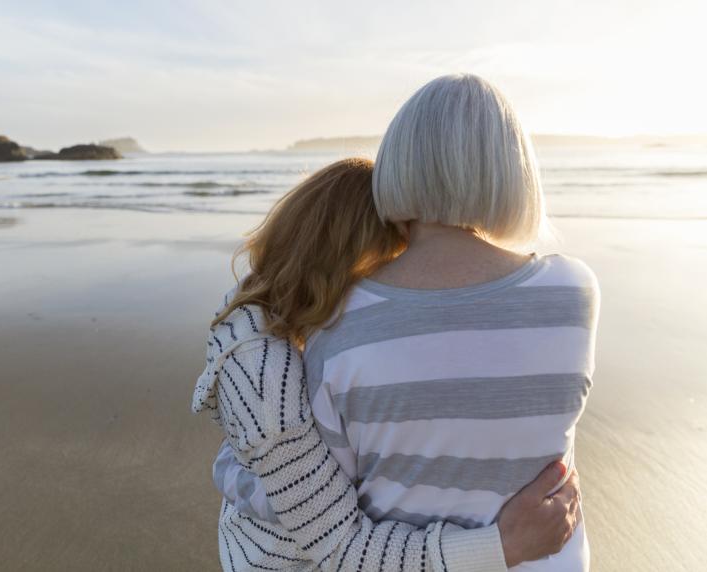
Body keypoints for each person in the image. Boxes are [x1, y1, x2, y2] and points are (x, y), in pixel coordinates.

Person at [195, 155, 585, 569]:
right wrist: (504, 546)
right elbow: (343, 549)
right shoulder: (266, 383)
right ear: (347, 259)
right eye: (394, 261)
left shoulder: (269, 322)